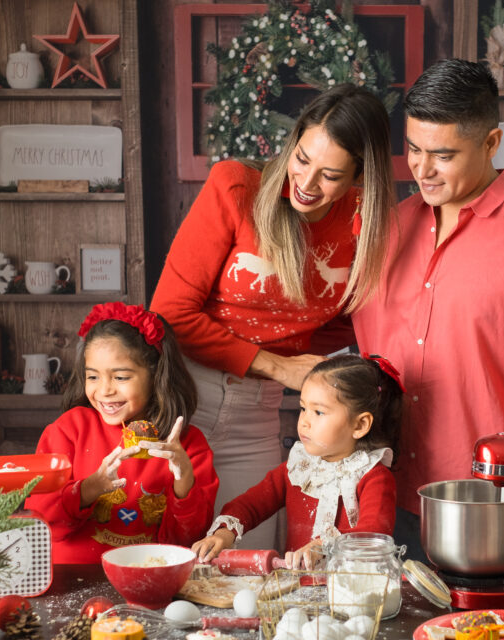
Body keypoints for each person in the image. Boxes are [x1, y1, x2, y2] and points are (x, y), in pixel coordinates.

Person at [353, 58, 504, 559]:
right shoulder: (386, 229)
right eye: (414, 149)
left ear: (491, 143)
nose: (421, 169)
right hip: (380, 498)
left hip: (491, 511)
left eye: (442, 155)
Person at [151, 84, 395, 549]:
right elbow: (170, 315)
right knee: (169, 555)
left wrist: (297, 364)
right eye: (301, 159)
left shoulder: (366, 223)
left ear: (360, 177)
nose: (305, 183)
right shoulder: (236, 187)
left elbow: (353, 319)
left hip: (259, 415)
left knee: (248, 566)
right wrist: (279, 365)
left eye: (330, 175)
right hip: (184, 396)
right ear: (293, 139)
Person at [25, 302, 219, 563]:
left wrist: (183, 479)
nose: (104, 390)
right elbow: (43, 524)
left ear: (155, 375)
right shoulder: (67, 431)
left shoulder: (187, 445)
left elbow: (187, 541)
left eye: (120, 377)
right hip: (72, 579)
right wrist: (90, 488)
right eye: (93, 377)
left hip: (151, 581)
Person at [190, 354, 402, 569]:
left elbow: (373, 536)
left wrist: (323, 546)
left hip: (351, 595)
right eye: (303, 408)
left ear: (360, 425)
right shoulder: (300, 468)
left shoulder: (374, 477)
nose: (305, 422)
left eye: (318, 412)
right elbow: (251, 504)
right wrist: (225, 533)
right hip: (296, 592)